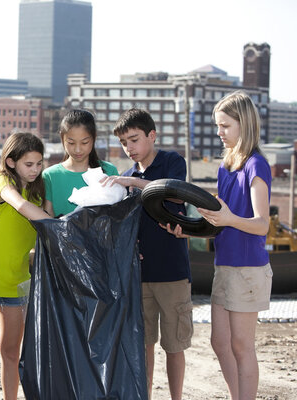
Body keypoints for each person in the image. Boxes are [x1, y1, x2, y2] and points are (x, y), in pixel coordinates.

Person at [166, 91, 272, 400]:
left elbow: (261, 224)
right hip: (225, 265)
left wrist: (226, 217)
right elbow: (220, 222)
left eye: (225, 125)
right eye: (217, 125)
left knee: (241, 346)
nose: (219, 132)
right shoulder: (226, 167)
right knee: (220, 342)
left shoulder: (256, 165)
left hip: (248, 270)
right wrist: (189, 231)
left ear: (244, 124)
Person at [101, 108, 192, 400]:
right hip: (138, 276)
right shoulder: (126, 176)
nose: (129, 148)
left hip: (173, 272)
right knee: (143, 346)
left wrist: (132, 184)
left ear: (152, 136)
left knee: (175, 346)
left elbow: (175, 193)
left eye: (134, 139)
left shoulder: (171, 161)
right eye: (124, 143)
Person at [0, 132, 51, 400]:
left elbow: (45, 221)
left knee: (12, 353)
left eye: (39, 164)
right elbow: (21, 205)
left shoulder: (40, 190)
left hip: (17, 283)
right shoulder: (1, 182)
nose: (35, 170)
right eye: (29, 164)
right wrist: (55, 225)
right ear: (12, 161)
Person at [42, 109, 118, 217]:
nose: (78, 149)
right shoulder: (50, 176)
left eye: (84, 142)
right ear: (62, 138)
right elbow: (48, 219)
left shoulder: (109, 170)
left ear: (94, 138)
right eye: (71, 143)